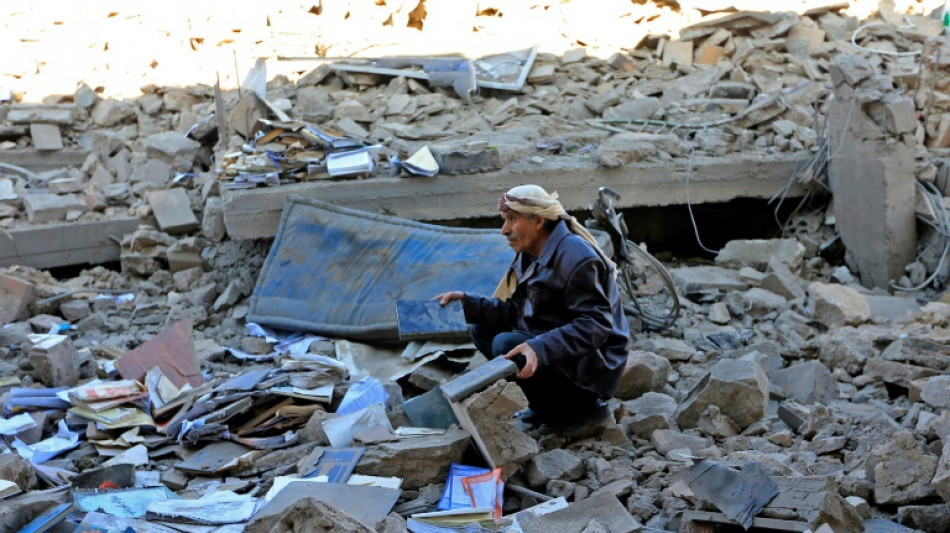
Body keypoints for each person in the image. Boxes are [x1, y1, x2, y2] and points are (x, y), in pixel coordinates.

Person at [436, 184, 630, 430]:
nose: (504, 230)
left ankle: (582, 411)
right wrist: (469, 304)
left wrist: (538, 347)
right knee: (482, 329)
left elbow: (596, 325)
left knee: (507, 346)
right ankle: (543, 405)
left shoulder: (577, 257)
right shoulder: (531, 252)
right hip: (562, 347)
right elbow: (518, 311)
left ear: (537, 221)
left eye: (511, 219)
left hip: (592, 371)